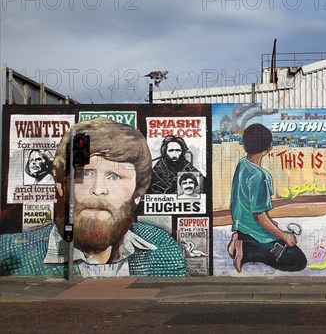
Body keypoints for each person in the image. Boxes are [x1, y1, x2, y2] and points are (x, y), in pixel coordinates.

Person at [0, 117, 186, 277]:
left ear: (137, 194)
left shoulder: (161, 248)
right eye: (85, 174)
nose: (98, 189)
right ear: (61, 186)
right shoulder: (10, 252)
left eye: (114, 176)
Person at [227, 123, 307, 273]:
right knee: (298, 260)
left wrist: (273, 226)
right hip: (256, 233)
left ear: (245, 146)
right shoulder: (260, 177)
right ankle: (246, 251)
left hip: (242, 225)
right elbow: (259, 216)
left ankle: (240, 238)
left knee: (275, 232)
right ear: (269, 147)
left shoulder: (242, 164)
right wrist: (283, 235)